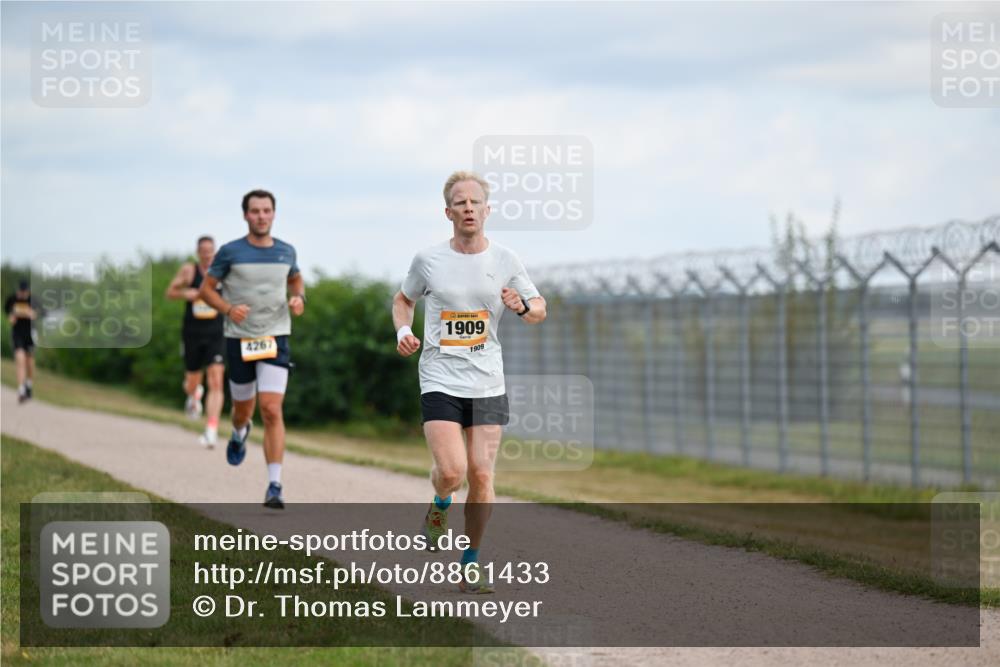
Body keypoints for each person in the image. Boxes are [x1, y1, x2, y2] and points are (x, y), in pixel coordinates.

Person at [392, 171, 546, 593]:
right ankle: (440, 503)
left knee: (481, 474)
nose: (468, 208)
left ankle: (471, 563)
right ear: (448, 212)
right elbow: (403, 300)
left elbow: (539, 310)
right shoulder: (429, 260)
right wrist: (403, 332)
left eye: (475, 202)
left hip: (487, 381)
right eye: (460, 202)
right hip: (440, 377)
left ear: (487, 210)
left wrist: (522, 305)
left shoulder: (505, 261)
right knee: (452, 471)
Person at [198, 189, 305, 509]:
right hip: (239, 338)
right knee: (243, 409)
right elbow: (206, 291)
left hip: (276, 337)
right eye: (255, 211)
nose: (261, 216)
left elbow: (296, 281)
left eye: (267, 210)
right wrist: (228, 309)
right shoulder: (230, 252)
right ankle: (239, 430)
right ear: (245, 215)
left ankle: (274, 484)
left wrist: (299, 298)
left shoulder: (286, 251)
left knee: (271, 409)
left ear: (274, 214)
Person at [165, 236, 226, 447]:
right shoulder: (189, 271)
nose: (207, 255)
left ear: (215, 252)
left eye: (211, 251)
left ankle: (211, 428)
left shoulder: (222, 273)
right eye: (204, 251)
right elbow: (169, 292)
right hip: (192, 332)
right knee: (192, 381)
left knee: (216, 379)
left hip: (216, 333)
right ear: (198, 252)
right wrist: (186, 293)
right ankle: (194, 393)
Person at [5, 279, 37, 404]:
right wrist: (11, 317)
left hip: (30, 334)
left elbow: (41, 312)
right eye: (21, 291)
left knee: (29, 362)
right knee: (20, 359)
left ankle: (29, 384)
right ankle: (21, 389)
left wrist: (33, 314)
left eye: (25, 291)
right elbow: (7, 312)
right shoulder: (12, 299)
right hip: (17, 333)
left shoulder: (32, 300)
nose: (23, 293)